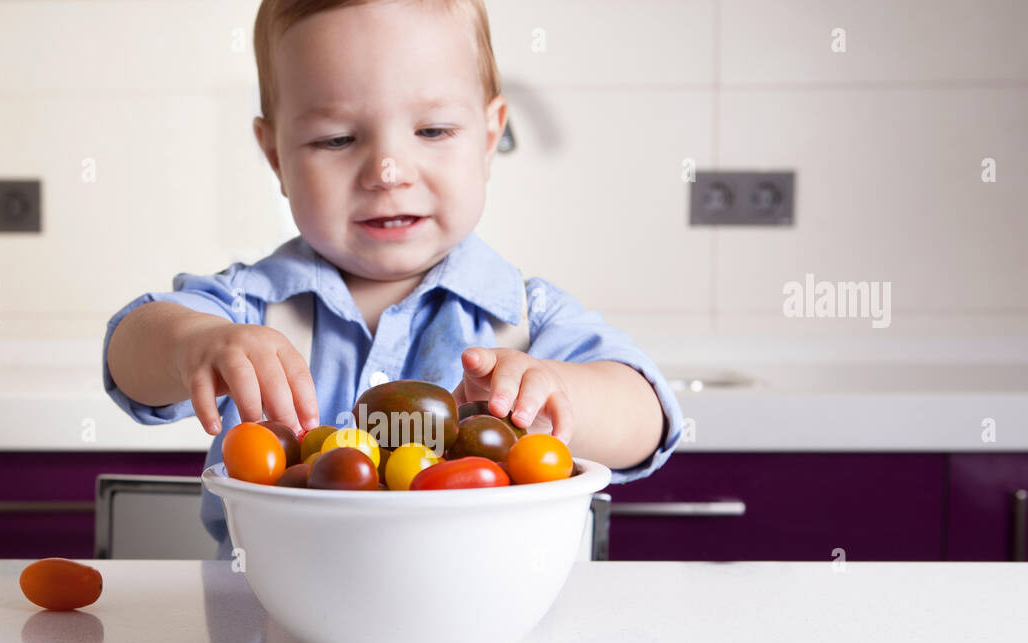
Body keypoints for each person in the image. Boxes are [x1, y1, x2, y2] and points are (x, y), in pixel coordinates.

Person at [104, 0, 684, 559]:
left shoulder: (526, 318)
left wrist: (557, 389)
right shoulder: (247, 307)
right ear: (276, 157)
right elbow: (129, 356)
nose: (388, 172)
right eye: (336, 138)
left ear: (488, 139)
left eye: (432, 131)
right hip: (273, 623)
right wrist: (192, 343)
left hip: (489, 628)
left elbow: (648, 422)